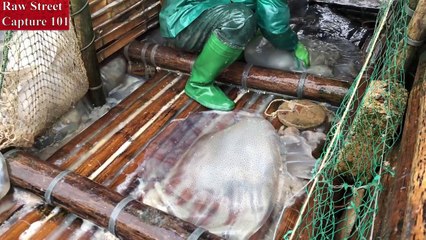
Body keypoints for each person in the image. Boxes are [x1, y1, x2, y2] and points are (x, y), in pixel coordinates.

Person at [159, 0, 310, 111]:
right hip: (183, 22)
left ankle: (221, 52)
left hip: (202, 11)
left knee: (251, 19)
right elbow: (273, 25)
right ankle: (199, 84)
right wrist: (294, 45)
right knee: (240, 20)